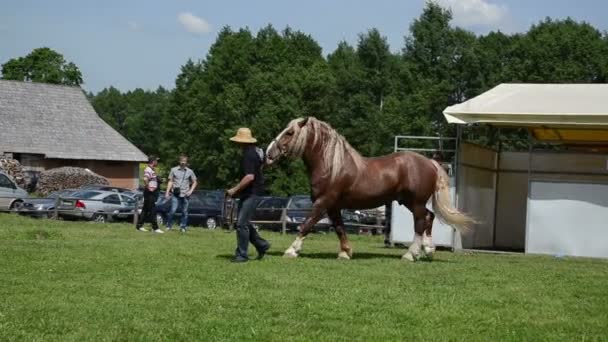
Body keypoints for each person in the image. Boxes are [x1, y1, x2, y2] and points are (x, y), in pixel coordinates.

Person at [226, 127, 271, 263]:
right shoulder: (254, 152)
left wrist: (234, 190)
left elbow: (250, 177)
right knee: (243, 222)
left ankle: (242, 255)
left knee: (241, 224)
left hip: (253, 193)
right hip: (250, 193)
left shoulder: (248, 155)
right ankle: (262, 245)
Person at [165, 154, 198, 232]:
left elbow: (195, 182)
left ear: (186, 162)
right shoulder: (173, 170)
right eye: (182, 161)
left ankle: (183, 227)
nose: (183, 163)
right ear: (179, 161)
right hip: (175, 194)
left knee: (185, 211)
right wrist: (167, 192)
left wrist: (190, 191)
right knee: (173, 210)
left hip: (185, 194)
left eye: (184, 161)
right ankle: (169, 225)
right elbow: (170, 181)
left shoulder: (190, 171)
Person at [136, 155, 164, 233]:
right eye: (156, 161)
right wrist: (149, 188)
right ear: (153, 161)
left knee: (145, 209)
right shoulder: (148, 169)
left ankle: (139, 226)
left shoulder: (152, 169)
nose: (157, 162)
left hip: (151, 192)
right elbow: (145, 179)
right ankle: (155, 228)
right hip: (150, 192)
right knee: (153, 210)